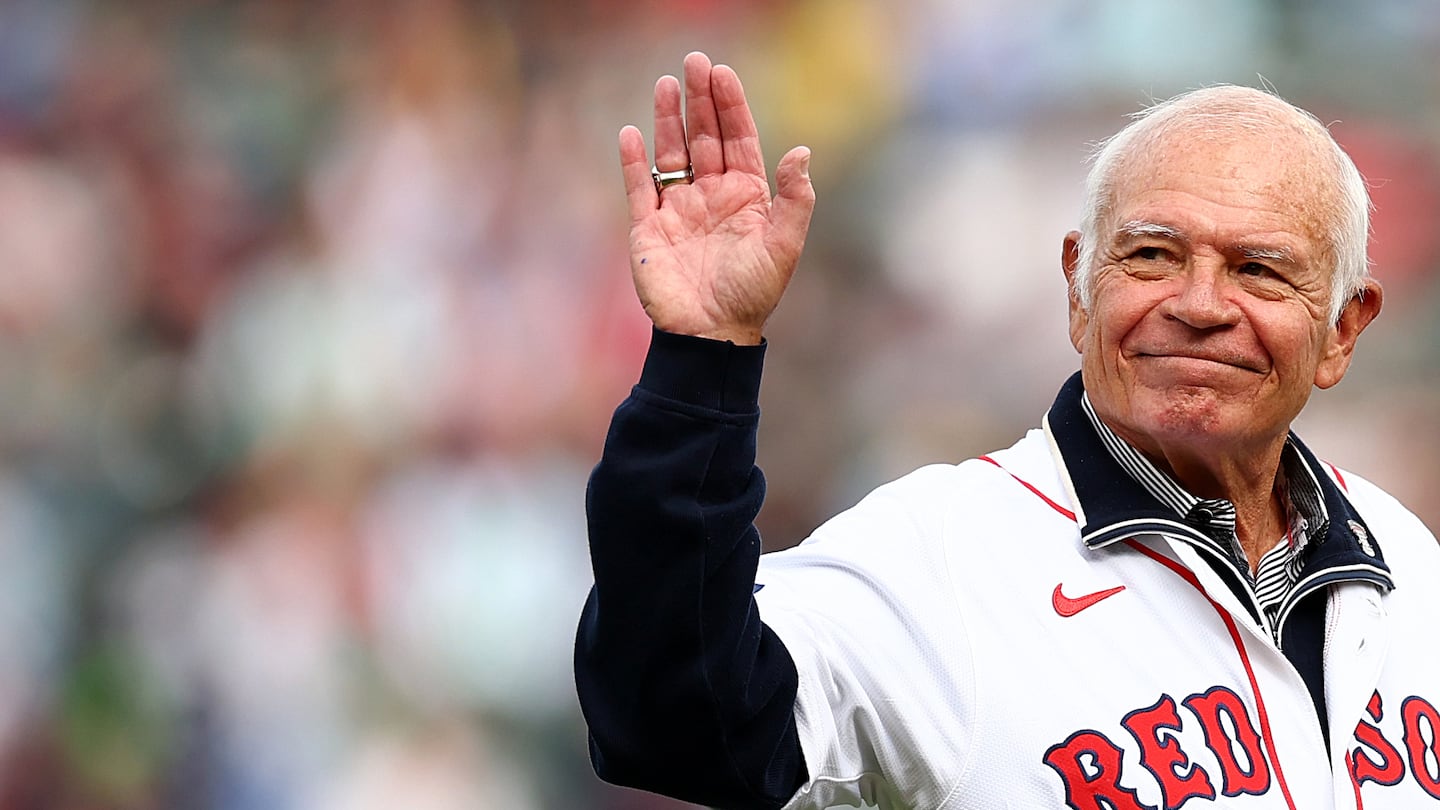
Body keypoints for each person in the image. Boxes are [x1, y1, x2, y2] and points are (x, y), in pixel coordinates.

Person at [574, 51, 1440, 810]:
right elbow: (672, 720)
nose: (1201, 305)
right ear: (1077, 286)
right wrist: (701, 361)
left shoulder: (1409, 562)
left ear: (1341, 331)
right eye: (1150, 255)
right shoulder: (941, 557)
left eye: (1259, 269)